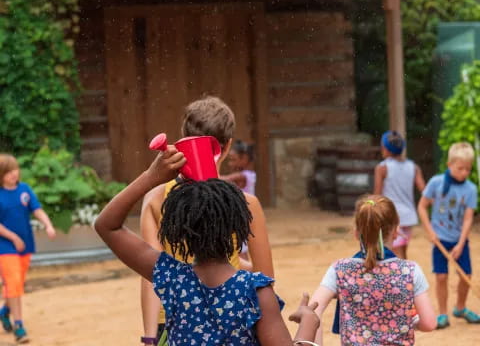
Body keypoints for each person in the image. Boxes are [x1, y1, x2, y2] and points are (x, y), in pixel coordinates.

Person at [95, 147, 321, 345]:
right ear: (238, 226)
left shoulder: (172, 278)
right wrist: (308, 324)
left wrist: (151, 177)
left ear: (180, 231)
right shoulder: (255, 293)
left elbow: (107, 226)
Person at [140, 96, 274, 345]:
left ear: (182, 141)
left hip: (174, 318)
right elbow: (264, 276)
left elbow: (151, 274)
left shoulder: (155, 199)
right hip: (232, 314)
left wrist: (150, 338)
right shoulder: (245, 203)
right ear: (227, 146)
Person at [310, 194, 436, 346]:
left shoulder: (339, 270)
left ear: (356, 232)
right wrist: (413, 322)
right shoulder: (410, 271)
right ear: (396, 231)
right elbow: (429, 323)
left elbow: (312, 311)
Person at [418, 142, 480, 329]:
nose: (464, 172)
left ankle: (460, 308)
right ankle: (443, 314)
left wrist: (460, 244)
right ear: (449, 164)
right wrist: (430, 231)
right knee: (441, 277)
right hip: (440, 239)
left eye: (468, 169)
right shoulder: (436, 183)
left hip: (459, 239)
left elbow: (468, 219)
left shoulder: (470, 189)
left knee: (465, 275)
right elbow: (422, 207)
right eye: (460, 168)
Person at [0, 154, 56, 343]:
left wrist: (47, 225)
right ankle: (19, 326)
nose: (13, 174)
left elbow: (37, 209)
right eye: (8, 172)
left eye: (15, 169)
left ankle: (5, 311)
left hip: (25, 246)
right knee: (14, 282)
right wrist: (13, 238)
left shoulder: (24, 190)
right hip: (5, 246)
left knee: (16, 284)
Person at [374, 130, 425, 259]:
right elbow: (425, 192)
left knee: (395, 255)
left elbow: (377, 195)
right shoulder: (413, 167)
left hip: (392, 217)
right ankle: (405, 278)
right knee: (403, 253)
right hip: (409, 217)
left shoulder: (382, 168)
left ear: (385, 148)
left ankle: (403, 278)